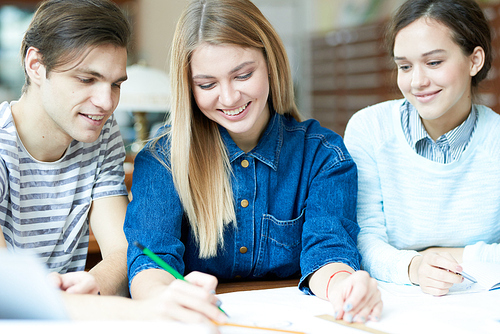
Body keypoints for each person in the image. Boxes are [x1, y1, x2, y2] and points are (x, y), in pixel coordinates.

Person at [125, 0, 382, 324]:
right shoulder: (163, 160)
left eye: (243, 75)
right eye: (207, 84)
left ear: (271, 64)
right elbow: (149, 265)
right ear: (188, 87)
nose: (230, 98)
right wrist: (166, 296)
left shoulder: (323, 155)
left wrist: (345, 287)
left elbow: (327, 254)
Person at [0, 0, 223, 323]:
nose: (106, 103)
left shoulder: (100, 134)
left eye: (116, 84)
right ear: (35, 65)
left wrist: (94, 284)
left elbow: (122, 251)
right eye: (87, 80)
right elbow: (7, 293)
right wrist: (146, 311)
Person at [344, 0, 500, 296]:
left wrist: (441, 253)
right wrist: (415, 267)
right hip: (395, 301)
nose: (417, 82)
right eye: (404, 66)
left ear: (474, 61)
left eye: (434, 62)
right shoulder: (370, 129)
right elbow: (363, 240)